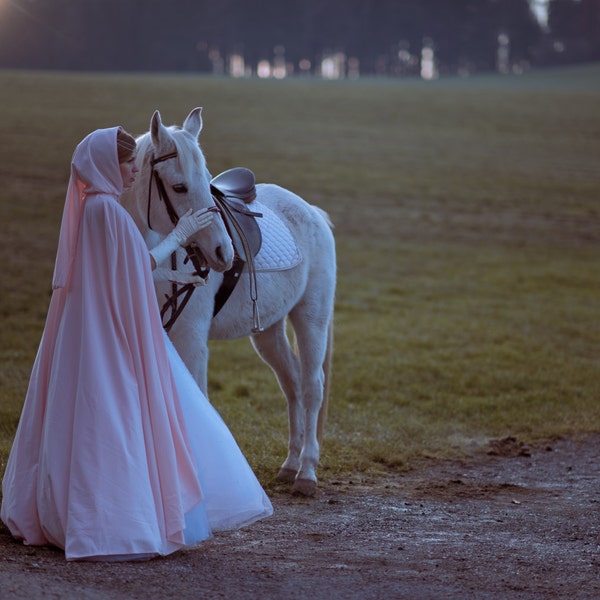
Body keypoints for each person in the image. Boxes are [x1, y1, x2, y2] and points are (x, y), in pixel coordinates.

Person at [1, 127, 272, 561]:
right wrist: (182, 233)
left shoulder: (90, 207)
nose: (132, 171)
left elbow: (112, 271)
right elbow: (138, 262)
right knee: (124, 411)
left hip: (92, 321)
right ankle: (125, 515)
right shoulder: (107, 211)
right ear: (108, 165)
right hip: (112, 328)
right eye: (127, 164)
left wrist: (173, 275)